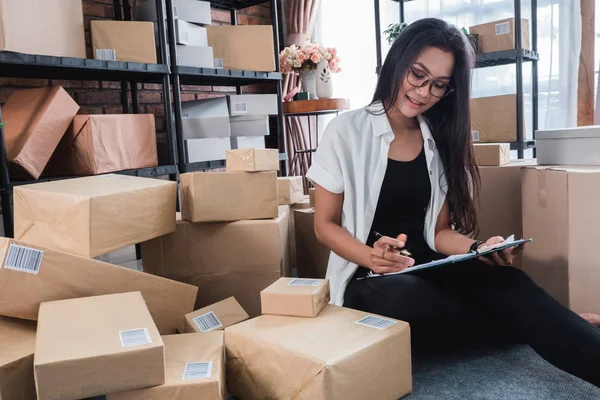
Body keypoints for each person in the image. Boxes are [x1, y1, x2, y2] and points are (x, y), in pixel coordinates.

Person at [306, 18, 600, 388]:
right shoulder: (345, 130)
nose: (424, 92)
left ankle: (558, 330)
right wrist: (372, 257)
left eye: (439, 85)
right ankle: (551, 325)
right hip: (373, 278)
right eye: (417, 75)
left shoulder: (436, 137)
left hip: (430, 269)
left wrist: (478, 248)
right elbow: (325, 225)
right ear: (398, 63)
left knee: (511, 282)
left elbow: (439, 232)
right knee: (404, 297)